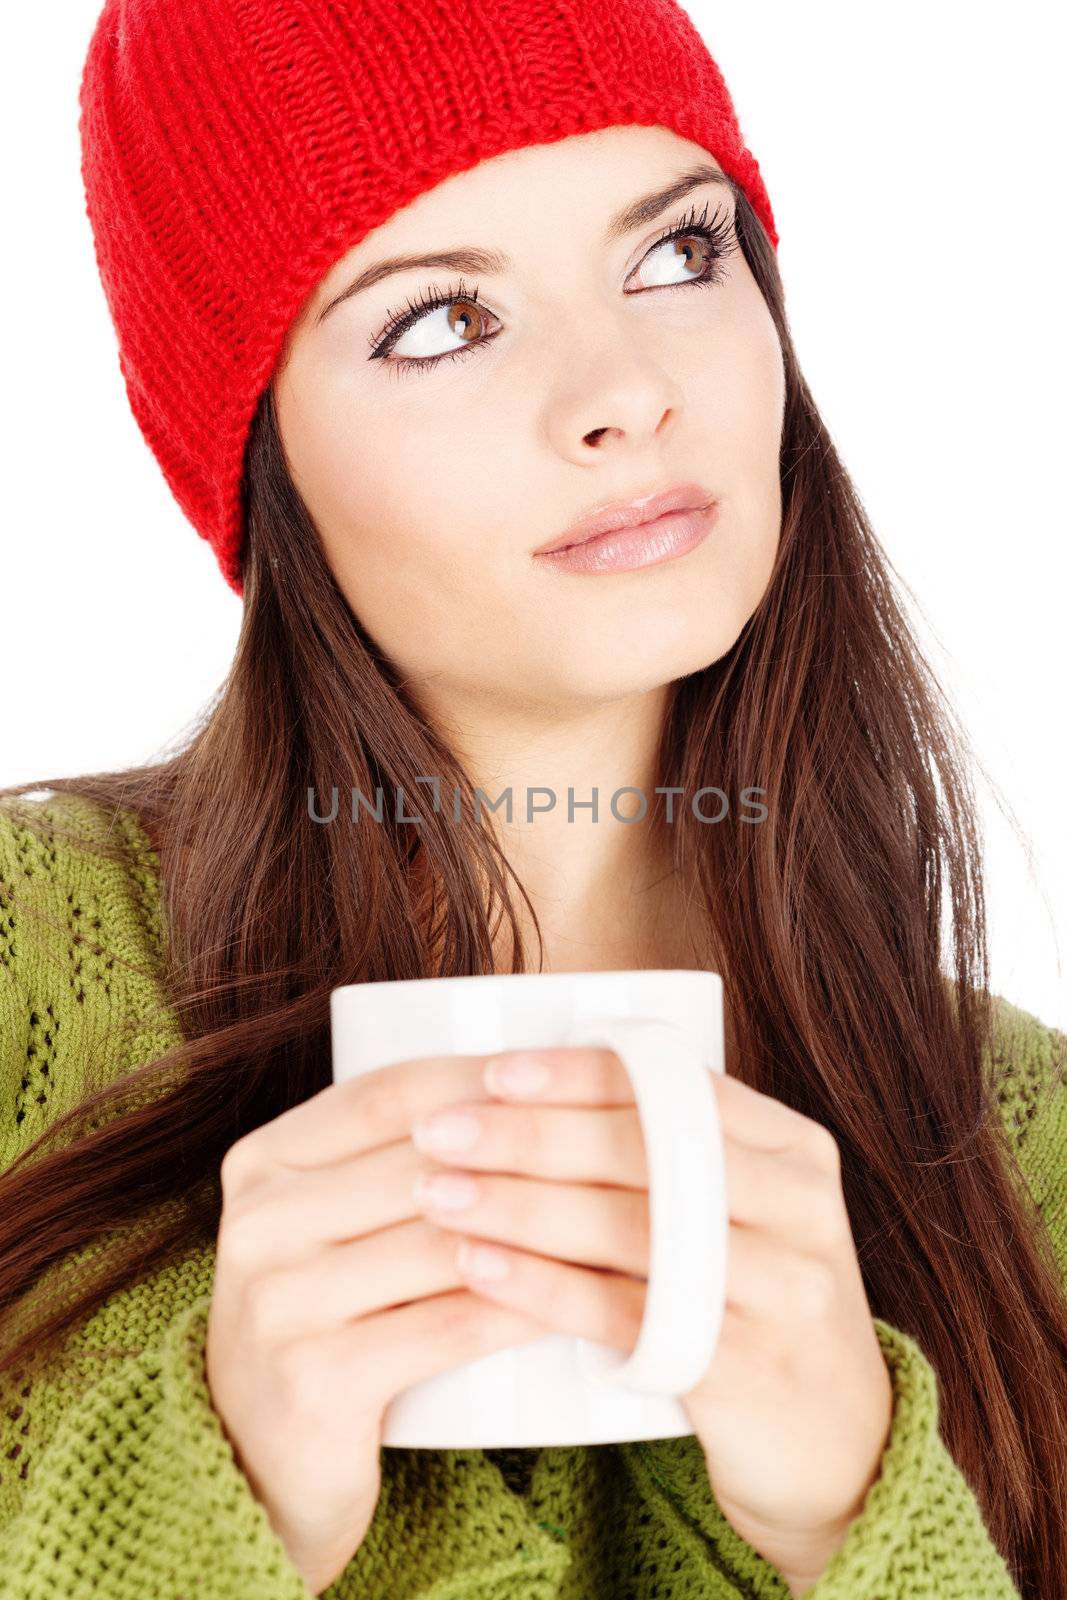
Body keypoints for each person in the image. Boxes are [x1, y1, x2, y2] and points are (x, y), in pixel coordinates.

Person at [0, 0, 1064, 1596]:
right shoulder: (32, 962)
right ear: (255, 453)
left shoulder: (1022, 1141)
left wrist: (864, 1517)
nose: (625, 391)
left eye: (679, 255)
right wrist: (200, 1509)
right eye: (438, 321)